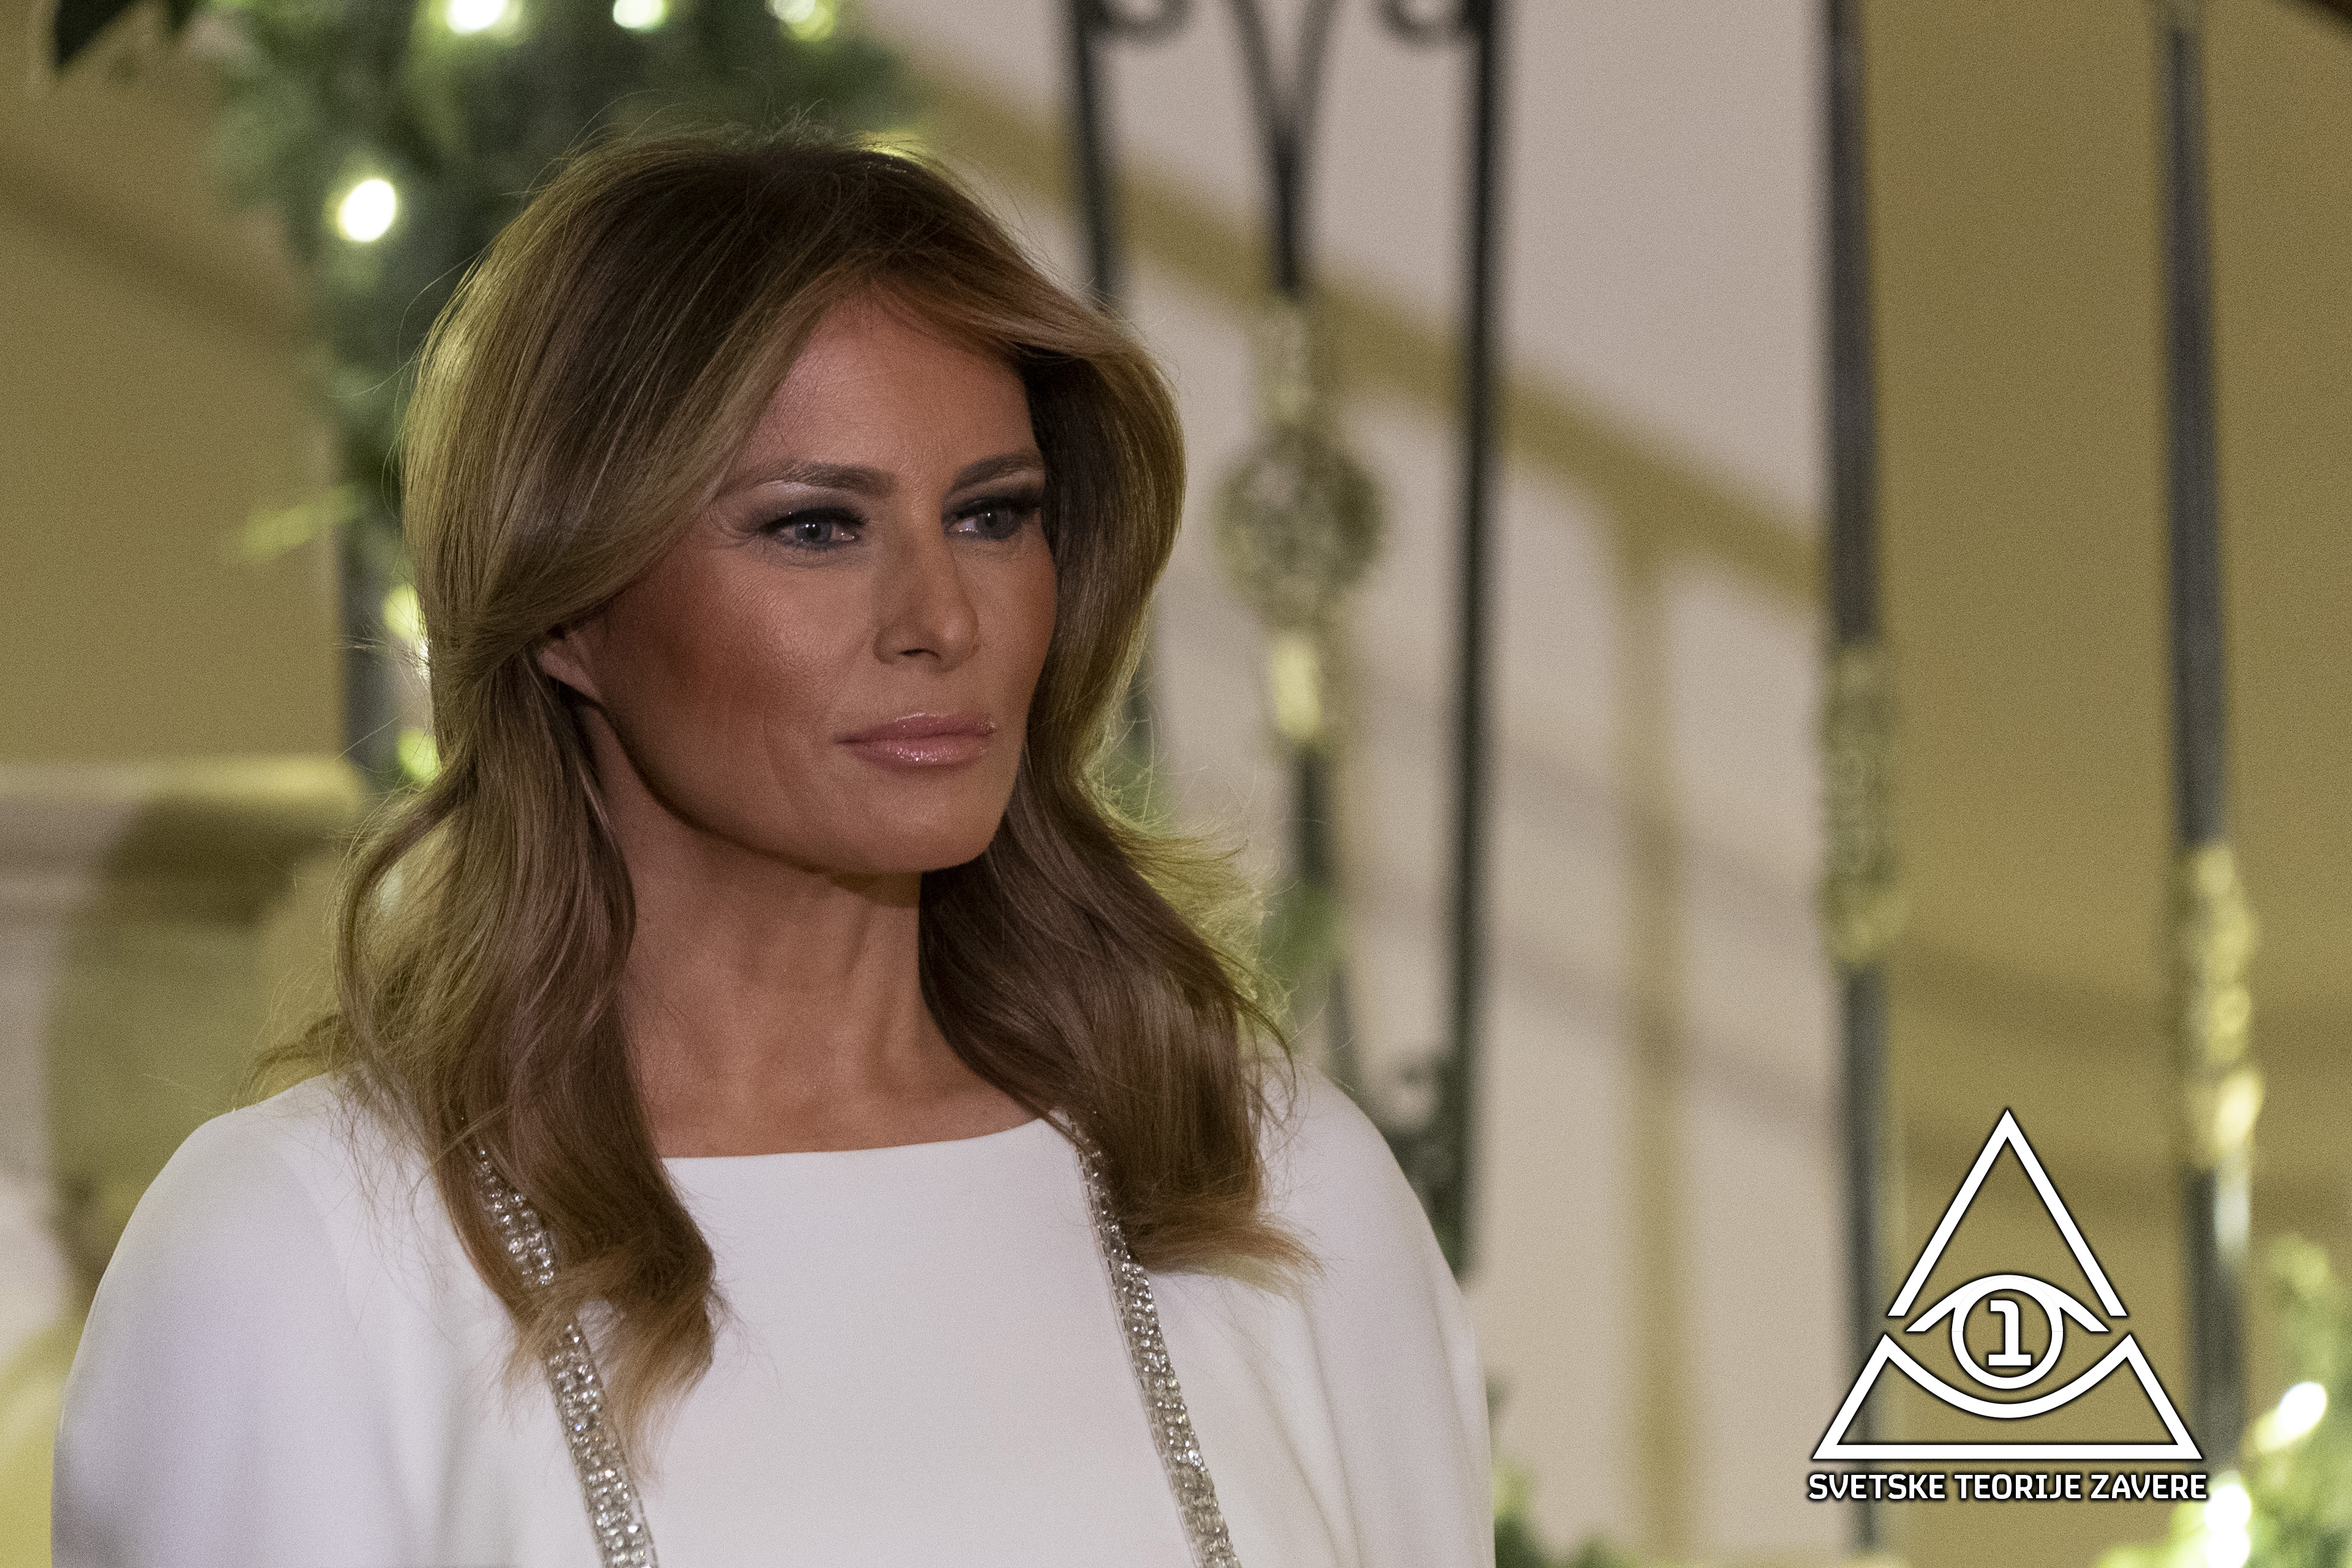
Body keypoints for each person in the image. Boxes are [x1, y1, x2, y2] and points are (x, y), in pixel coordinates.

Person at [52, 132, 1489, 1567]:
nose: (943, 617)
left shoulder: (1265, 1186)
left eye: (994, 516)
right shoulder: (301, 1256)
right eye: (815, 527)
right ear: (567, 605)